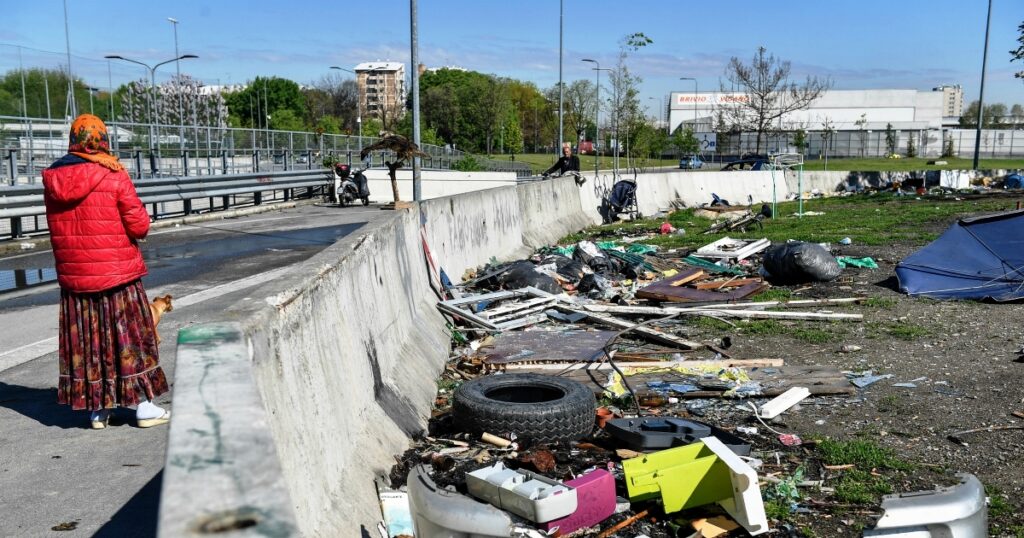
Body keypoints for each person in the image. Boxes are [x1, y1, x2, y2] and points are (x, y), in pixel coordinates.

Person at [41, 114, 170, 430]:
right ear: (100, 139)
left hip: (76, 279)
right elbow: (140, 226)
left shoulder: (54, 178)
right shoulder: (113, 173)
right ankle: (143, 406)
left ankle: (97, 410)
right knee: (129, 339)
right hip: (117, 276)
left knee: (90, 344)